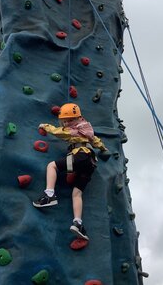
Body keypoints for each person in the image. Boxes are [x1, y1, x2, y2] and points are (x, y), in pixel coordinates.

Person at [32, 103, 108, 241]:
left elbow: (60, 132)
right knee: (77, 193)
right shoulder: (87, 128)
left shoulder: (74, 130)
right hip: (90, 163)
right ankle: (78, 223)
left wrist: (45, 126)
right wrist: (103, 148)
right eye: (65, 121)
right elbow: (96, 141)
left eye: (69, 120)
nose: (67, 123)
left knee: (52, 166)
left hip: (80, 156)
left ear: (77, 118)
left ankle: (49, 194)